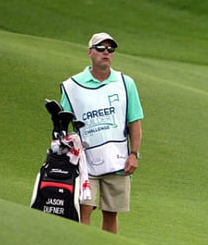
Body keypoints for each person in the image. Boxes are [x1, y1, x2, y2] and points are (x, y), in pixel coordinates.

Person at [59, 32, 144, 234]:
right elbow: (63, 124)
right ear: (90, 53)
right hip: (86, 161)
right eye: (100, 48)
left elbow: (135, 121)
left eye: (110, 49)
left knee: (111, 212)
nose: (106, 52)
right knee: (85, 208)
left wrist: (134, 154)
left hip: (118, 159)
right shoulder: (72, 86)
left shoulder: (125, 83)